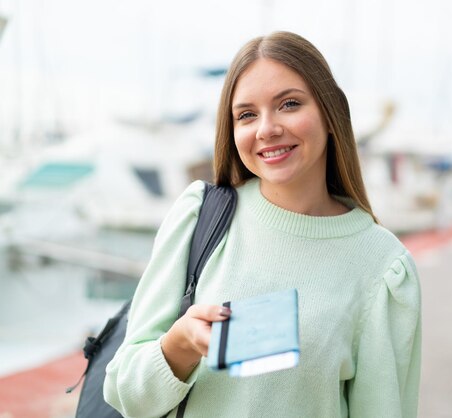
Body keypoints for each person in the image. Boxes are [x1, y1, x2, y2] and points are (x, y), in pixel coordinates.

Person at [104, 31, 421, 418]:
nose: (266, 129)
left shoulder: (383, 265)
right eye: (247, 114)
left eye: (289, 104)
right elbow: (124, 393)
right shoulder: (198, 215)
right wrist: (181, 345)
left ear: (331, 114)